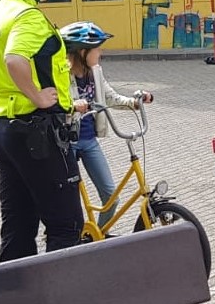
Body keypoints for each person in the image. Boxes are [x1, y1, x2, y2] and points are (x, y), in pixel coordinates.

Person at [0, 0, 84, 261]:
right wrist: (38, 96)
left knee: (18, 225)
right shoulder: (28, 16)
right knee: (66, 225)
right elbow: (15, 59)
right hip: (38, 133)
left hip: (4, 129)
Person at [61, 21, 153, 230]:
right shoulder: (62, 75)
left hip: (89, 141)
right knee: (69, 204)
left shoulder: (96, 73)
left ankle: (98, 240)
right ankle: (68, 241)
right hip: (67, 143)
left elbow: (111, 98)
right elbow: (54, 104)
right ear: (82, 51)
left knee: (111, 197)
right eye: (97, 48)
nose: (100, 52)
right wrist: (72, 106)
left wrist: (135, 102)